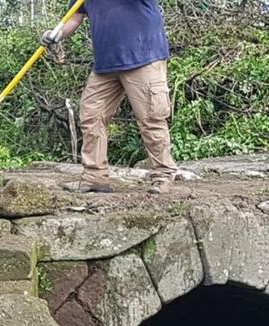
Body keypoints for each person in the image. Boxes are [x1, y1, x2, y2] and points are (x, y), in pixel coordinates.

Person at [42, 0, 178, 194]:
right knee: (91, 116)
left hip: (143, 56)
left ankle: (163, 175)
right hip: (106, 63)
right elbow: (74, 17)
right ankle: (94, 177)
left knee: (151, 118)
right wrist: (56, 33)